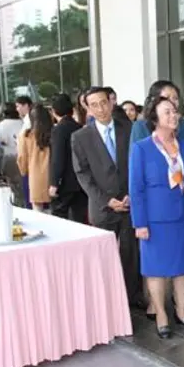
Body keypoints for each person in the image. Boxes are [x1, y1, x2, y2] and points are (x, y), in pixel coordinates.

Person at [130, 94, 184, 339]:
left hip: (183, 216)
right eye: (167, 112)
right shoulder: (142, 148)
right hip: (155, 220)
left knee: (183, 267)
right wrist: (140, 223)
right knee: (156, 269)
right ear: (154, 118)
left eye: (174, 111)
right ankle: (161, 314)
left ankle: (182, 310)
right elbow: (136, 188)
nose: (173, 115)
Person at [71, 86, 141, 308]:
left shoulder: (128, 129)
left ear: (111, 102)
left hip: (129, 202)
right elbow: (82, 174)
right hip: (102, 206)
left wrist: (131, 193)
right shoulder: (80, 137)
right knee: (103, 256)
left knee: (131, 254)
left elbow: (137, 164)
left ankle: (131, 299)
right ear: (87, 108)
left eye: (103, 102)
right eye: (94, 105)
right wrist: (106, 200)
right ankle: (106, 302)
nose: (100, 109)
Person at [49, 93, 87, 222]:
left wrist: (54, 182)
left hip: (65, 182)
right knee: (80, 218)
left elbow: (58, 157)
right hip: (81, 180)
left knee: (59, 217)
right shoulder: (79, 127)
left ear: (54, 111)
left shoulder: (58, 130)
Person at [130, 81, 184, 145]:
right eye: (166, 98)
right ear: (154, 100)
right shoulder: (140, 127)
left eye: (175, 98)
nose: (172, 102)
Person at [17, 104, 53, 212]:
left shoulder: (26, 135)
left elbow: (22, 158)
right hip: (52, 175)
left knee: (37, 210)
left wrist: (23, 171)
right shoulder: (54, 133)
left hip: (34, 176)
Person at [0, 102, 25, 204]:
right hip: (22, 156)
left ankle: (15, 203)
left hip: (9, 156)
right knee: (22, 182)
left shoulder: (3, 124)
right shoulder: (22, 122)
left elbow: (0, 140)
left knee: (11, 183)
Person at [15, 96, 34, 207]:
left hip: (28, 161)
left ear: (26, 105)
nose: (17, 109)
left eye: (18, 106)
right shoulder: (26, 120)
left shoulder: (30, 121)